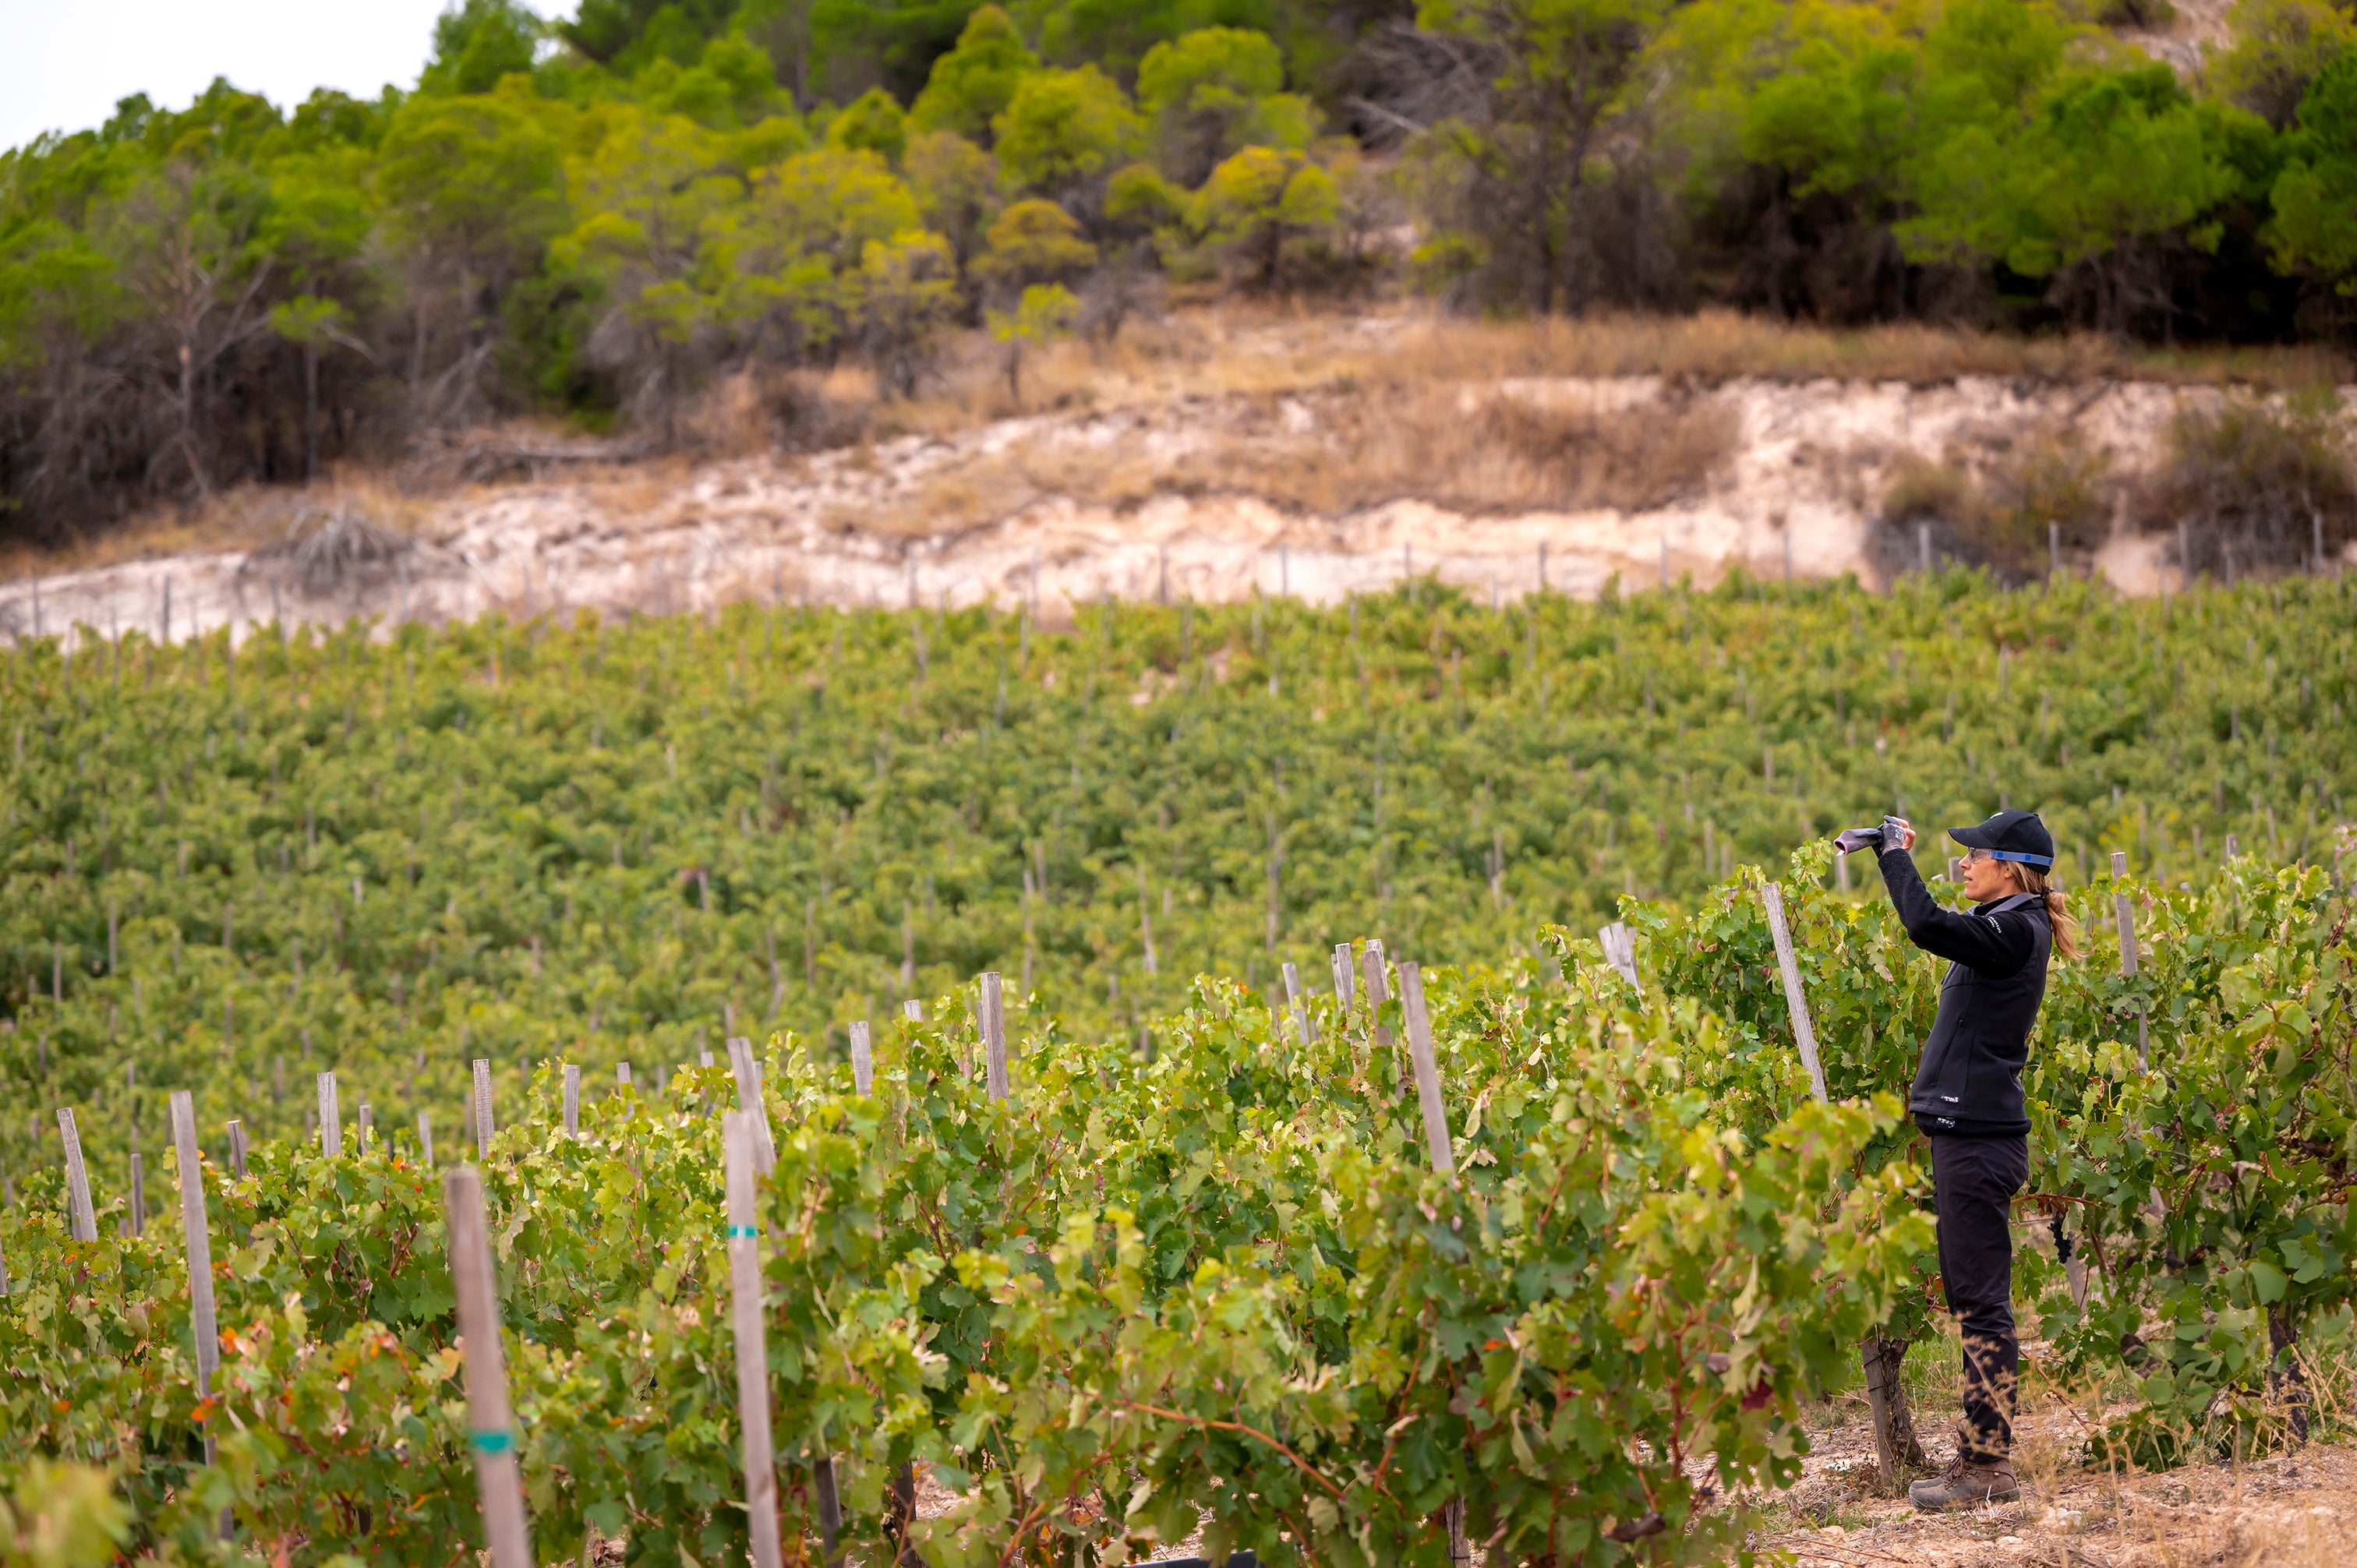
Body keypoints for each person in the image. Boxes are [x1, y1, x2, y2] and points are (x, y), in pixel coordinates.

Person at [1868, 807, 2080, 1511]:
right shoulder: (2011, 928)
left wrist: (1894, 855)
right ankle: (1980, 1460)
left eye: (1975, 854)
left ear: (2009, 866)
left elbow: (1926, 925)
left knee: (1983, 1306)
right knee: (1973, 1299)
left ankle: (1988, 1469)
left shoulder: (2014, 929)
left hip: (1980, 1140)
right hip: (1971, 1136)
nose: (1964, 863)